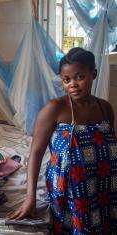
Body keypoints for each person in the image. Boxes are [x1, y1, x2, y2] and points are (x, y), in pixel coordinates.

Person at [7, 47, 117, 234]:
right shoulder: (55, 109)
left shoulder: (105, 108)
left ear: (94, 74)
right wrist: (30, 198)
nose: (72, 84)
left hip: (104, 184)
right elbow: (35, 152)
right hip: (71, 188)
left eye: (79, 77)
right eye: (66, 80)